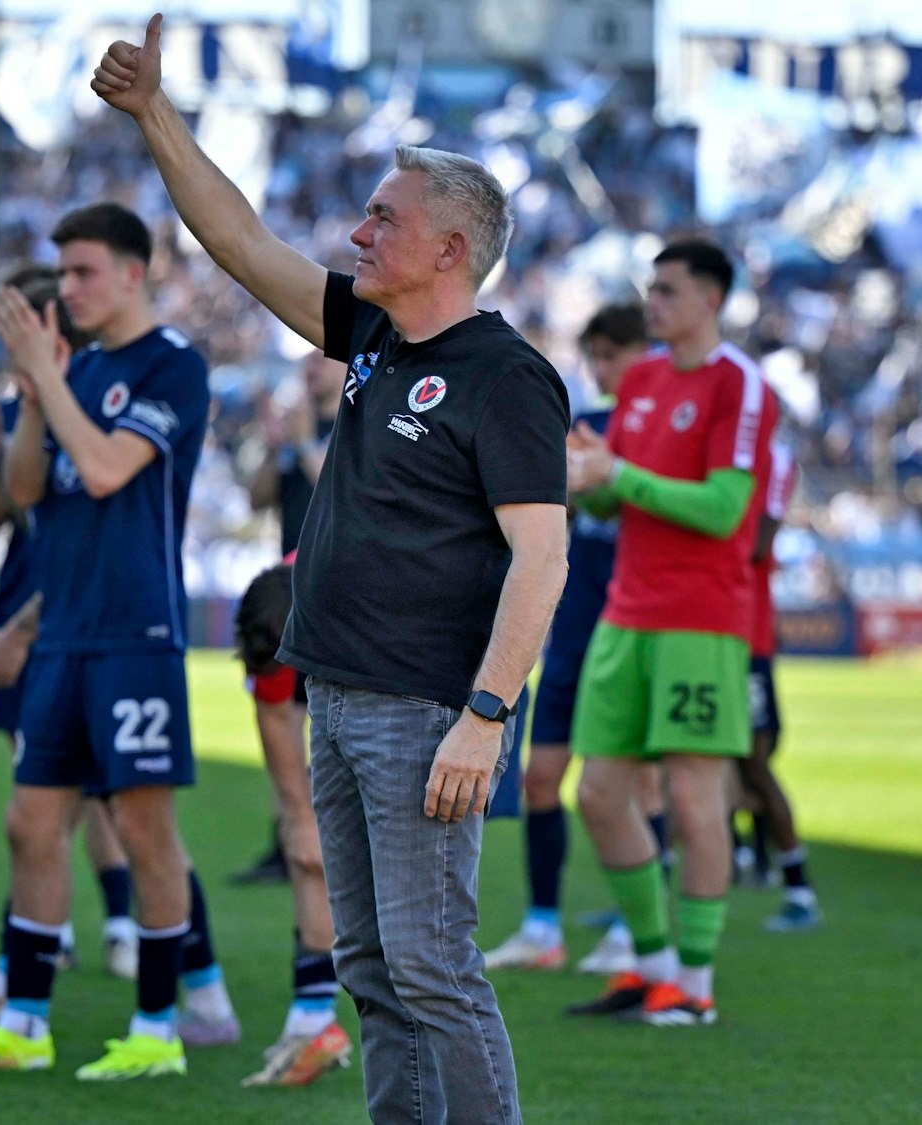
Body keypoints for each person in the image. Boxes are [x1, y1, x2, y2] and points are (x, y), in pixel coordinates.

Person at [93, 18, 568, 1121]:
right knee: (370, 971)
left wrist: (485, 714)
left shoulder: (505, 377)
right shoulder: (373, 335)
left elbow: (540, 558)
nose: (357, 233)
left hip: (425, 708)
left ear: (450, 249)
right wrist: (155, 115)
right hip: (340, 694)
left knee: (431, 968)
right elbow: (239, 244)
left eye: (383, 220)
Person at [0, 203, 236, 1081]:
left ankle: (159, 1028)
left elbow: (102, 470)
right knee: (31, 822)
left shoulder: (172, 367)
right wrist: (33, 389)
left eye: (85, 272)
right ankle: (23, 1021)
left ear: (135, 273)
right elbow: (26, 487)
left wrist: (49, 383)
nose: (70, 290)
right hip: (62, 633)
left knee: (144, 828)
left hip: (135, 632)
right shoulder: (77, 370)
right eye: (63, 275)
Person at [0, 265, 143, 1047]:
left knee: (112, 804)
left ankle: (132, 959)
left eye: (16, 319)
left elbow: (96, 526)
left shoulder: (109, 398)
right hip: (35, 618)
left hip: (72, 627)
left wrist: (26, 628)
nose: (5, 334)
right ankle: (49, 970)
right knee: (45, 805)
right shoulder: (20, 407)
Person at [564, 240, 778, 1028]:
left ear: (712, 299)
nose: (652, 303)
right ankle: (650, 965)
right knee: (597, 792)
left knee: (694, 801)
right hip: (627, 610)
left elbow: (725, 510)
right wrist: (587, 476)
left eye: (667, 290)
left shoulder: (741, 387)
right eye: (649, 290)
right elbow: (612, 506)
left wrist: (619, 477)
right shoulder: (644, 379)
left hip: (702, 616)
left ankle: (695, 982)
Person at [481, 301, 653, 974]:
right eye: (597, 355)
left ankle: (635, 928)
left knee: (641, 787)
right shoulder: (583, 422)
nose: (604, 368)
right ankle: (542, 926)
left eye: (616, 354)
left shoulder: (655, 424)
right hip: (575, 620)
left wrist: (601, 478)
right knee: (543, 777)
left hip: (635, 621)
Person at [231, 559, 352, 1087]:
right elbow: (275, 713)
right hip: (344, 648)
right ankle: (313, 1023)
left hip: (432, 681)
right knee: (310, 844)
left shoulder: (375, 579)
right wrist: (298, 815)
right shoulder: (276, 609)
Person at [233, 350, 346, 887]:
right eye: (307, 362)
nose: (311, 369)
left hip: (338, 596)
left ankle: (323, 840)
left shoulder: (355, 419)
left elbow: (340, 493)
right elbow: (257, 500)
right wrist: (276, 444)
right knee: (285, 717)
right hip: (288, 597)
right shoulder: (298, 426)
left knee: (325, 726)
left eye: (324, 360)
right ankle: (288, 841)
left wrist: (301, 441)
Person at [737, 432, 821, 932]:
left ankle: (799, 890)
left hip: (746, 639)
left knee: (755, 766)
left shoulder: (769, 459)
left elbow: (760, 542)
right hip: (706, 631)